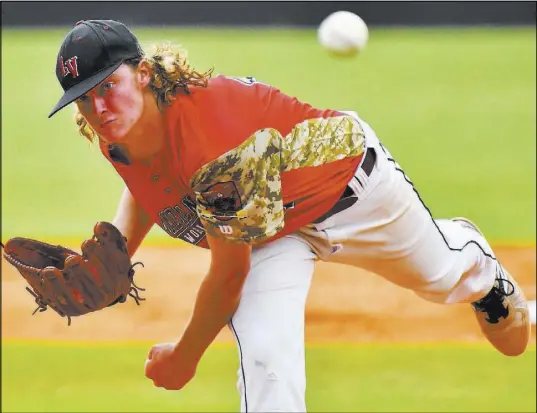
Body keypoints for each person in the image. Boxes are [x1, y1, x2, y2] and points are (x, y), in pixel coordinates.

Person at [48, 19, 531, 412]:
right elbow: (146, 183)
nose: (99, 106)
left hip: (351, 191)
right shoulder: (117, 130)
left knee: (440, 276)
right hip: (270, 233)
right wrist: (117, 252)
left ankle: (478, 266)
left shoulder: (215, 142)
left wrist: (185, 358)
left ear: (144, 73)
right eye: (84, 97)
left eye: (108, 86)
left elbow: (227, 275)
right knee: (267, 364)